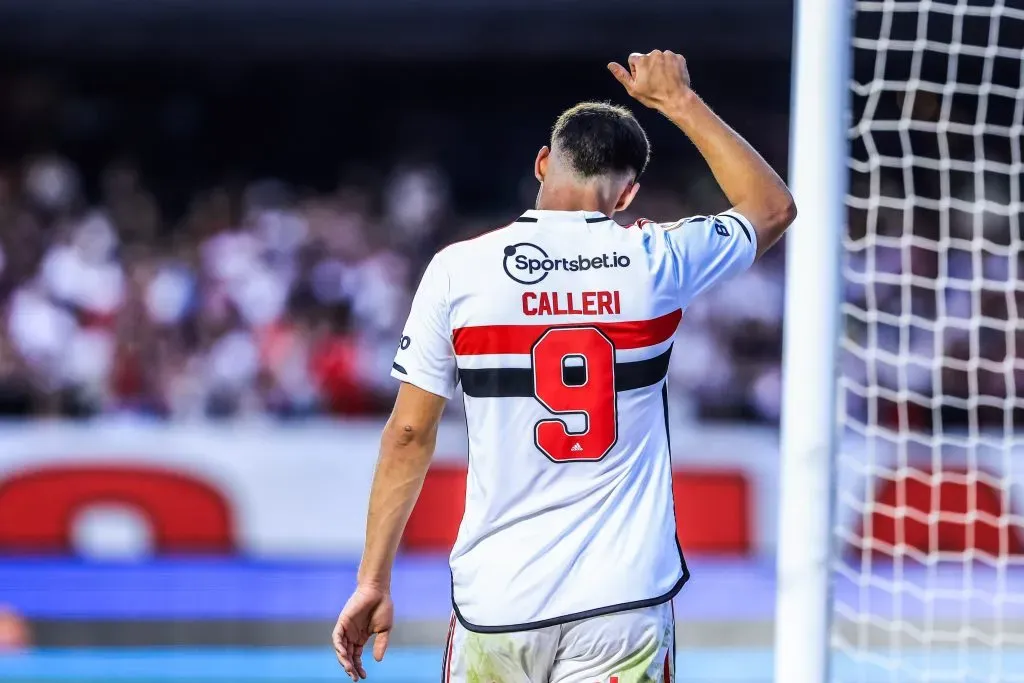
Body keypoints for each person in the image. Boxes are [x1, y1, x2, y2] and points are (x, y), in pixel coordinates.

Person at [332, 49, 796, 683]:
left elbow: (409, 434)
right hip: (622, 600)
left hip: (499, 599)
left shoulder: (458, 270)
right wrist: (679, 103)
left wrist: (373, 580)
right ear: (628, 192)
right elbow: (771, 208)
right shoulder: (655, 259)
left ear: (543, 164)